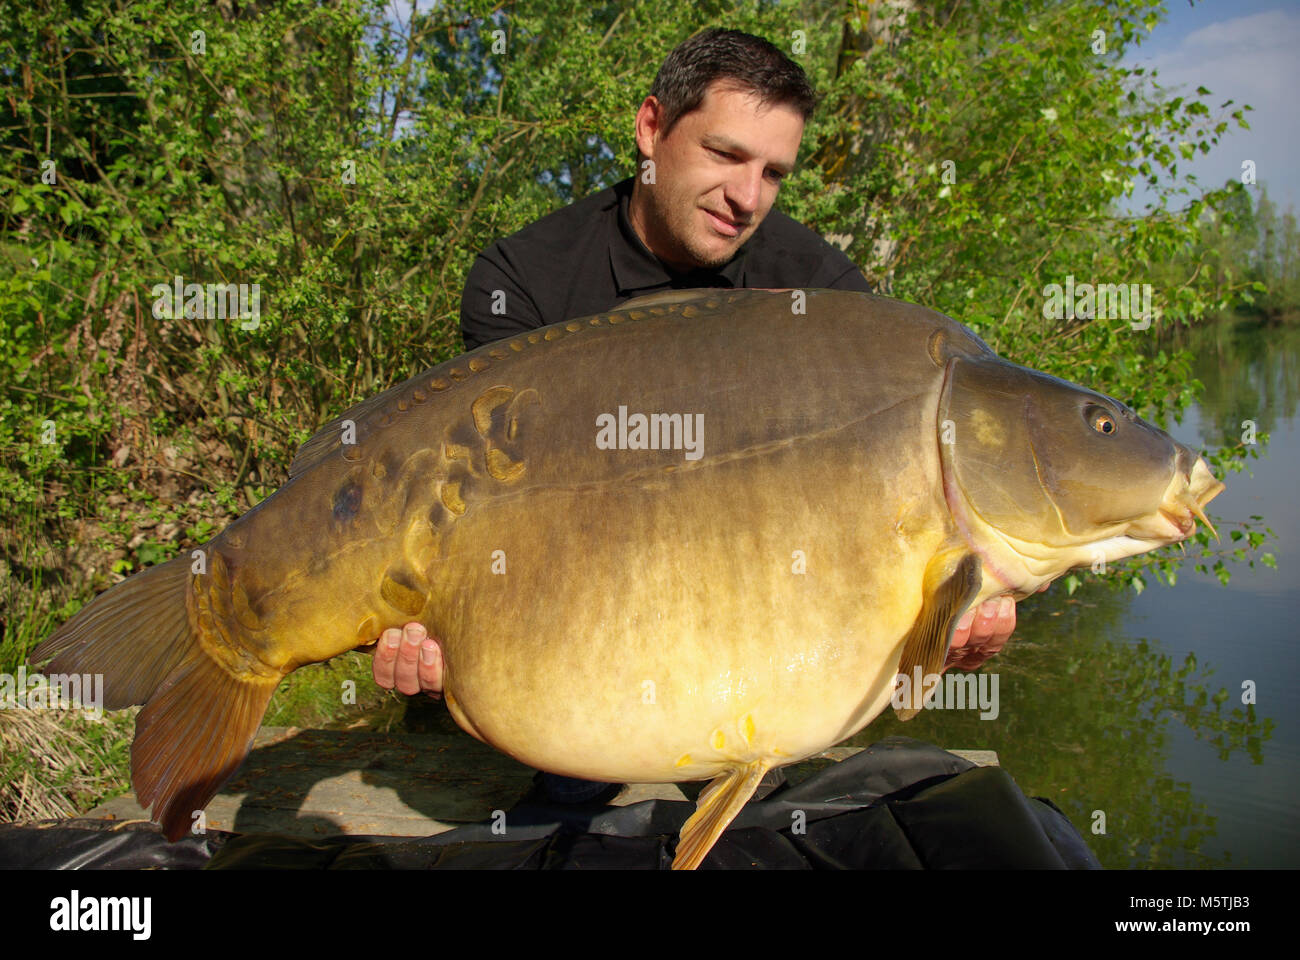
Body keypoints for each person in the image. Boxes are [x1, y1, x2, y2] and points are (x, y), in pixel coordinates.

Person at [370, 28, 1016, 798]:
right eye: (725, 154)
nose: (749, 198)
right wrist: (426, 623)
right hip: (563, 660)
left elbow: (877, 512)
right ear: (650, 128)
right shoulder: (524, 281)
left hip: (748, 661)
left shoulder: (821, 290)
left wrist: (949, 618)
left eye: (774, 173)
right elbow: (483, 514)